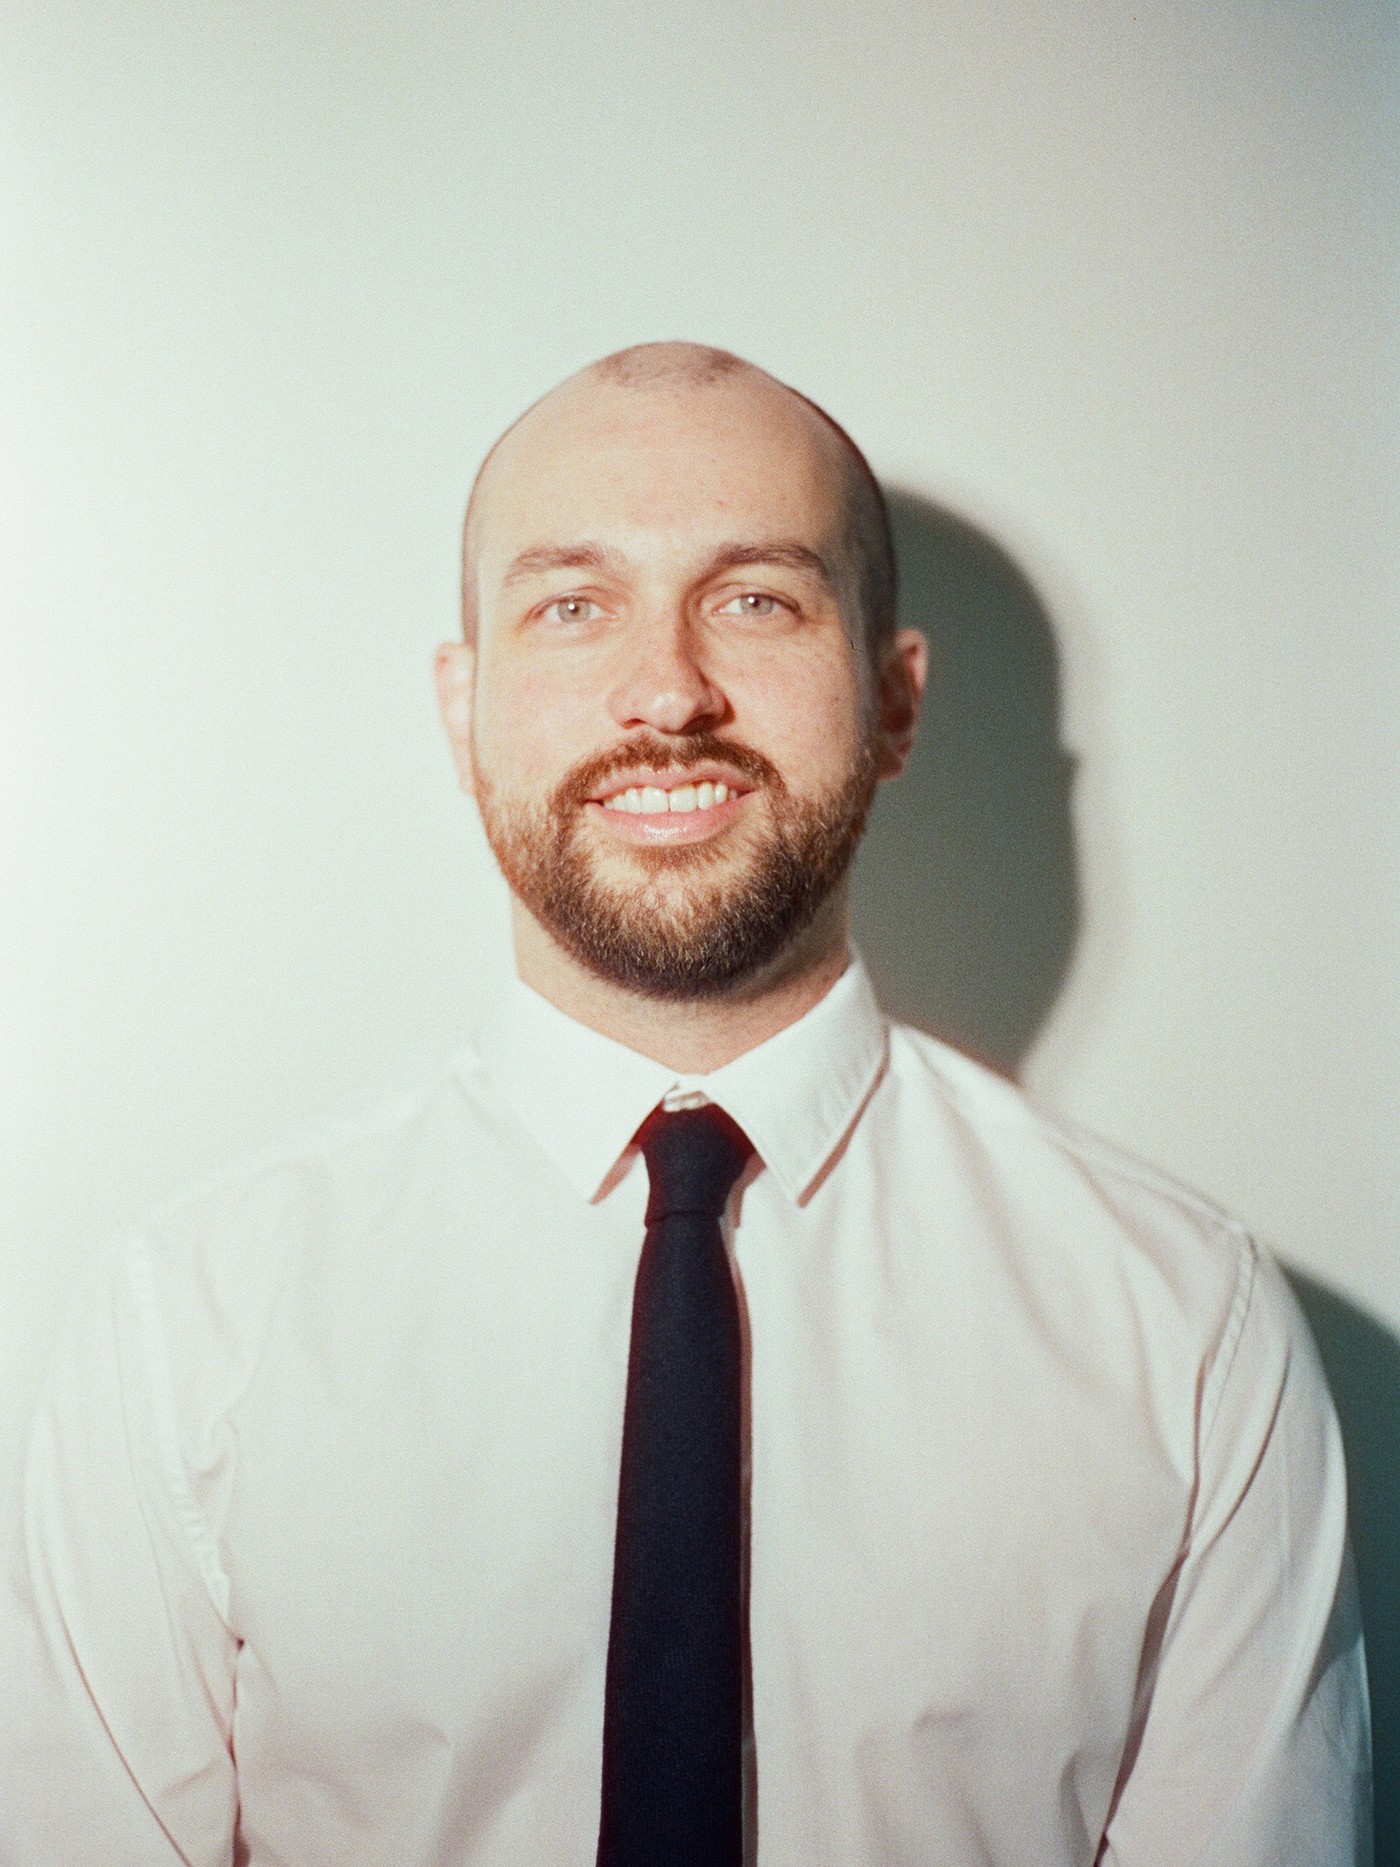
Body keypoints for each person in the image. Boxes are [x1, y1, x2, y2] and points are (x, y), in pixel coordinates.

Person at [0, 342, 1371, 1865]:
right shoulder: (186, 1323)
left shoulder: (1185, 1325)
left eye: (757, 599)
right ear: (462, 712)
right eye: (572, 605)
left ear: (895, 699)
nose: (666, 691)